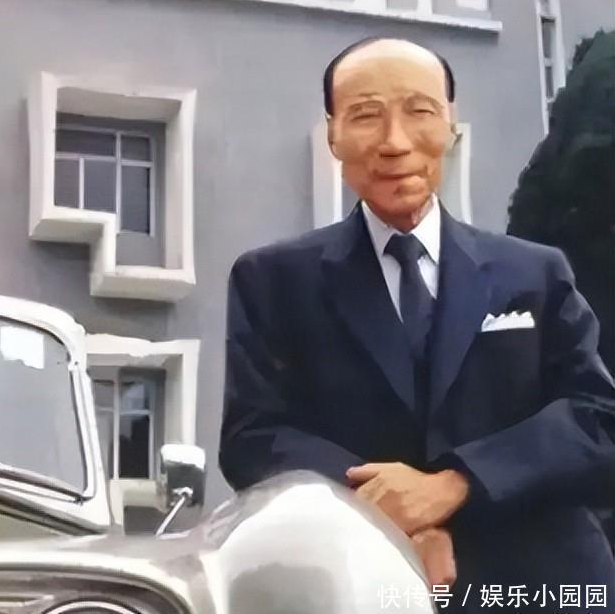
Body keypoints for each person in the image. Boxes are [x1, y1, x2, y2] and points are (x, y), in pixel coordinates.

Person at [219, 37, 615, 611]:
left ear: (451, 124)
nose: (395, 142)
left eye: (419, 111)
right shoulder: (272, 280)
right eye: (365, 116)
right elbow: (253, 438)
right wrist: (387, 513)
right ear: (332, 135)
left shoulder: (536, 272)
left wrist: (454, 486)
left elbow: (598, 419)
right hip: (358, 587)